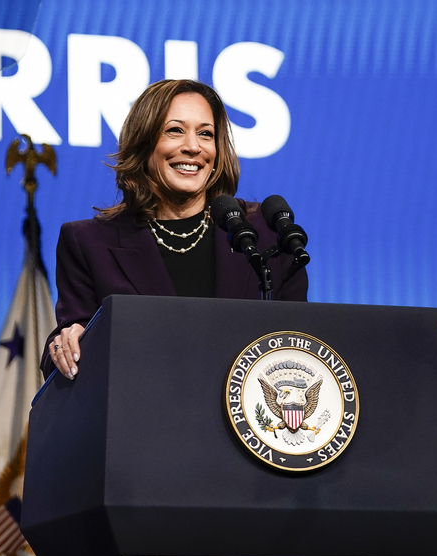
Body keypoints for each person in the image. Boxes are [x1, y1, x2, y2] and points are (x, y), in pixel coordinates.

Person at [41, 79, 307, 379]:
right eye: (175, 130)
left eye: (206, 134)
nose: (193, 147)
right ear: (143, 143)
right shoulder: (89, 243)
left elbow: (304, 345)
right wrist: (69, 340)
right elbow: (69, 355)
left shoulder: (265, 235)